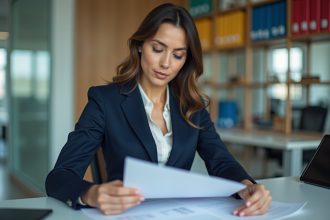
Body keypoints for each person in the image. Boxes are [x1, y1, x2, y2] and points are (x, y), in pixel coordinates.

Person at [45, 3, 271, 217]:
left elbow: (222, 161)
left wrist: (248, 187)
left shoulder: (192, 106)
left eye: (178, 55)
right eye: (158, 49)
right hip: (124, 215)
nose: (166, 63)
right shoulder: (104, 101)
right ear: (140, 46)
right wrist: (91, 193)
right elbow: (59, 176)